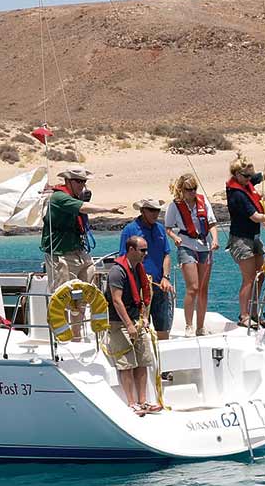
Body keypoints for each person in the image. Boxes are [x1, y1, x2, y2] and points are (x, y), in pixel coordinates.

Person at [40, 165, 124, 340]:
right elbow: (83, 208)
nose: (82, 185)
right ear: (68, 181)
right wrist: (108, 210)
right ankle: (60, 338)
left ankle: (77, 335)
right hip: (60, 254)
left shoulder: (73, 197)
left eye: (84, 182)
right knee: (61, 295)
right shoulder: (59, 198)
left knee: (85, 288)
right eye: (78, 181)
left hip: (78, 250)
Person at [226, 146, 265, 328]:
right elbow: (256, 217)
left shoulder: (246, 182)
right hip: (241, 240)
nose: (249, 180)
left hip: (254, 237)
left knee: (260, 275)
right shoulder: (237, 194)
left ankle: (254, 312)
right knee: (248, 278)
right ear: (237, 174)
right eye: (246, 177)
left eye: (250, 177)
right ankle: (244, 315)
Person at [106, 236, 162, 415]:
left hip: (136, 320)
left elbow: (143, 295)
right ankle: (131, 403)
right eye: (142, 250)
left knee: (143, 361)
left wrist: (144, 317)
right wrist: (129, 325)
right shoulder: (117, 272)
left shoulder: (138, 269)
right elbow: (116, 300)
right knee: (127, 364)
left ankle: (143, 401)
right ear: (131, 250)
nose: (146, 253)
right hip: (120, 323)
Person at [164, 173, 219, 337]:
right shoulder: (175, 206)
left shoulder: (203, 202)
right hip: (186, 246)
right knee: (193, 287)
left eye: (194, 189)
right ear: (182, 190)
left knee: (203, 289)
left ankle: (200, 327)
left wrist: (215, 239)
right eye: (188, 190)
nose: (192, 193)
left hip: (205, 246)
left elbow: (212, 223)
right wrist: (175, 238)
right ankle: (189, 325)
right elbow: (168, 228)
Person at [118, 198, 175, 340]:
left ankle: (162, 359)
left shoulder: (160, 229)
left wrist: (166, 277)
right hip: (138, 288)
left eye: (157, 210)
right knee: (140, 327)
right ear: (142, 211)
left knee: (163, 327)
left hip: (159, 285)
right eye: (151, 210)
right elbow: (123, 259)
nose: (155, 213)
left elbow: (166, 254)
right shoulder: (130, 230)